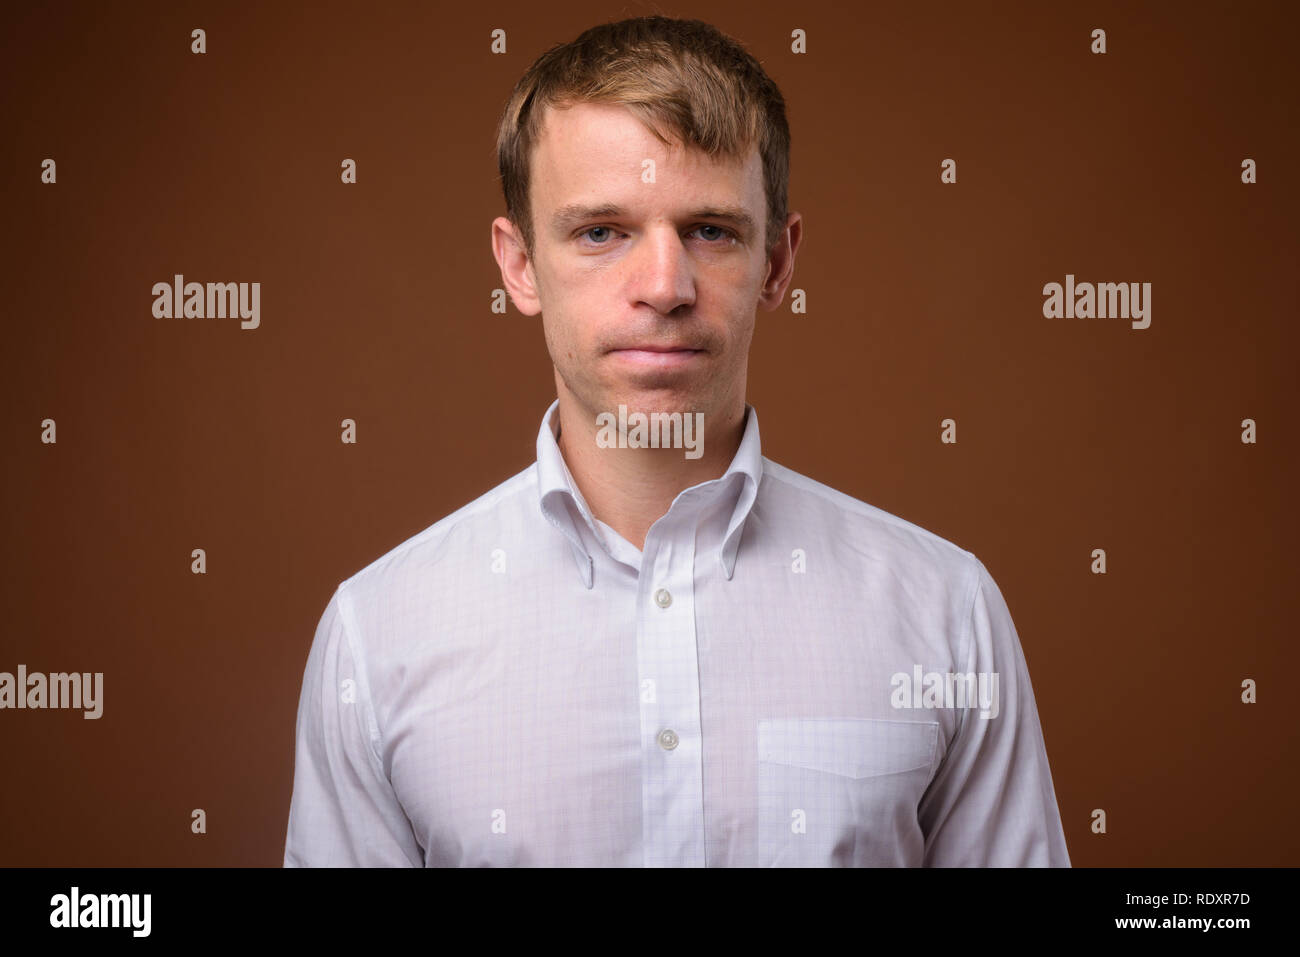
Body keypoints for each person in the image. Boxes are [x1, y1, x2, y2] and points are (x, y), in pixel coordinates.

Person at [283, 15, 1070, 867]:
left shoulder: (945, 610)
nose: (664, 286)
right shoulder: (379, 631)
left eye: (710, 231)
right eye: (601, 232)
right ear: (518, 266)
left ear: (777, 261)